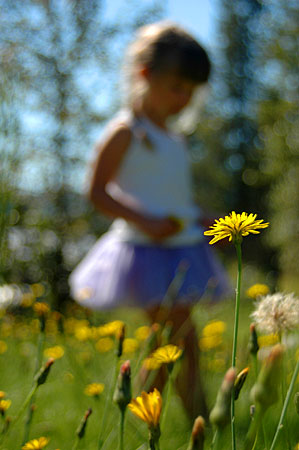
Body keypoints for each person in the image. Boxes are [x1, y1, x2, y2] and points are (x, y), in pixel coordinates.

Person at [69, 21, 230, 422]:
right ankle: (201, 425)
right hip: (143, 251)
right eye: (177, 87)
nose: (184, 99)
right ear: (145, 75)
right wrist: (145, 220)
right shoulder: (126, 132)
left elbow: (174, 197)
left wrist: (204, 219)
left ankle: (144, 426)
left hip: (180, 248)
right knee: (182, 341)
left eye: (192, 91)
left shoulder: (174, 139)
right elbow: (97, 192)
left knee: (168, 346)